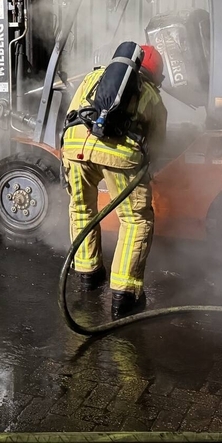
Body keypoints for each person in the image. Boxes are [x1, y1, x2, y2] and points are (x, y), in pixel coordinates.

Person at [62, 44, 167, 320]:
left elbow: (71, 112)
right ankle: (125, 295)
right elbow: (157, 143)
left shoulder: (92, 77)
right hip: (119, 157)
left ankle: (88, 275)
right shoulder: (151, 94)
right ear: (155, 74)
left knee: (82, 209)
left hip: (74, 148)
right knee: (135, 220)